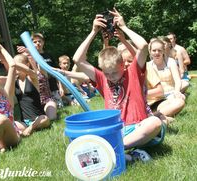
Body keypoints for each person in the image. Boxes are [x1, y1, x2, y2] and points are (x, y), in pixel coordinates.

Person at [73, 8, 164, 157]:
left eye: (114, 72)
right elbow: (77, 59)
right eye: (107, 73)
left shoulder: (133, 72)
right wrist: (93, 32)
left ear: (122, 65)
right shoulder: (102, 78)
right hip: (116, 129)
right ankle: (126, 153)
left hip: (137, 128)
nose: (111, 77)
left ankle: (113, 150)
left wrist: (123, 27)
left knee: (155, 123)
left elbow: (143, 46)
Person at [13, 54, 50, 136]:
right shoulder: (14, 81)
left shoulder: (32, 78)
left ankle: (30, 128)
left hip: (38, 118)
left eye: (18, 63)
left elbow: (30, 72)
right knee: (10, 123)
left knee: (45, 119)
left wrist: (13, 63)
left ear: (27, 64)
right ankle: (27, 128)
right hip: (24, 122)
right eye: (14, 63)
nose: (15, 65)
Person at [147, 38, 185, 117]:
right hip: (157, 98)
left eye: (159, 50)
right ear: (150, 51)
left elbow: (177, 80)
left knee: (180, 101)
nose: (157, 53)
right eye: (154, 50)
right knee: (177, 103)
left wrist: (177, 91)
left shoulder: (170, 62)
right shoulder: (148, 65)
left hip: (171, 94)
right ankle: (161, 115)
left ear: (163, 51)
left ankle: (155, 116)